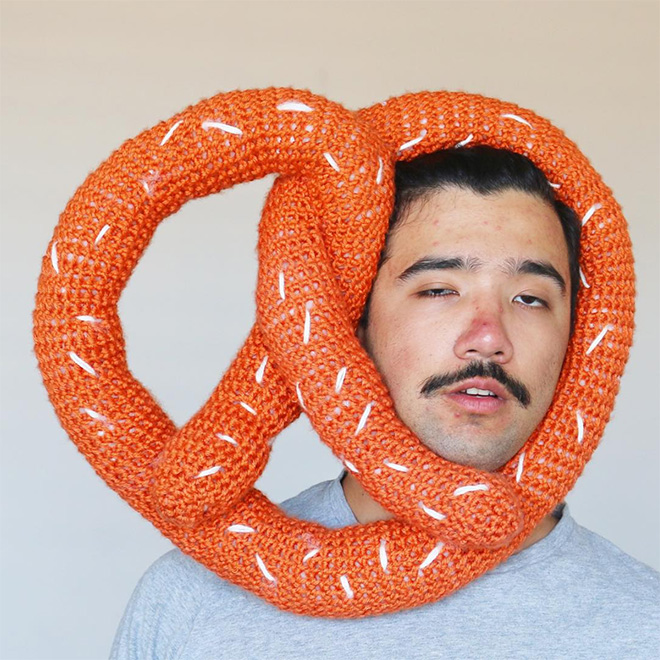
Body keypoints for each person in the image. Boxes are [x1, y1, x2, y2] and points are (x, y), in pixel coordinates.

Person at [110, 147, 658, 659]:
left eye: (530, 298)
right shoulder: (190, 605)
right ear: (355, 324)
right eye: (440, 289)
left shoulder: (643, 623)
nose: (489, 337)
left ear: (575, 340)